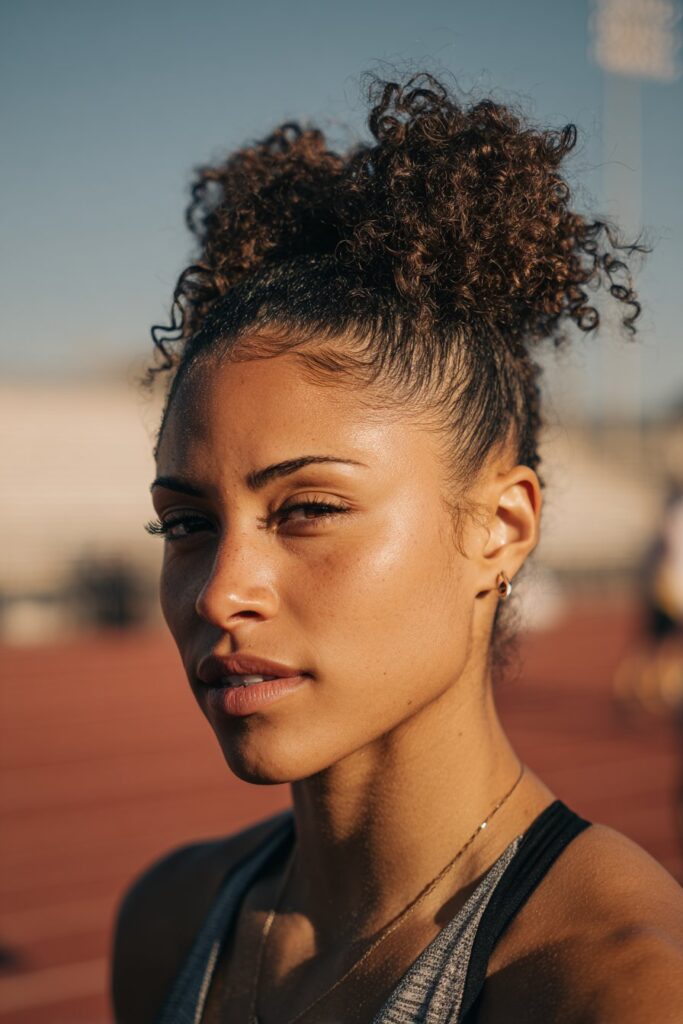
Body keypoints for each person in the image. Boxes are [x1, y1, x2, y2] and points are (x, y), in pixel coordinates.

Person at [111, 73, 683, 1023]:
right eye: (186, 523)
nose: (218, 593)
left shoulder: (612, 987)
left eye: (309, 509)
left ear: (500, 528)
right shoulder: (168, 924)